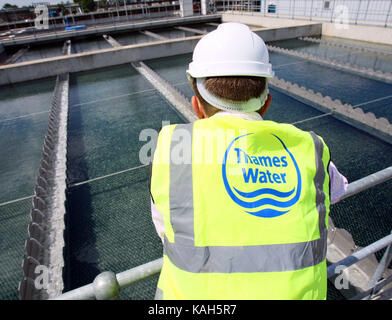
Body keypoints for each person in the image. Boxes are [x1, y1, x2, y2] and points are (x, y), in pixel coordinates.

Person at [149, 23, 348, 300]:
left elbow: (166, 227)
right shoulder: (310, 148)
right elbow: (337, 190)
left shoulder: (171, 149)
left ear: (196, 106)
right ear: (266, 104)